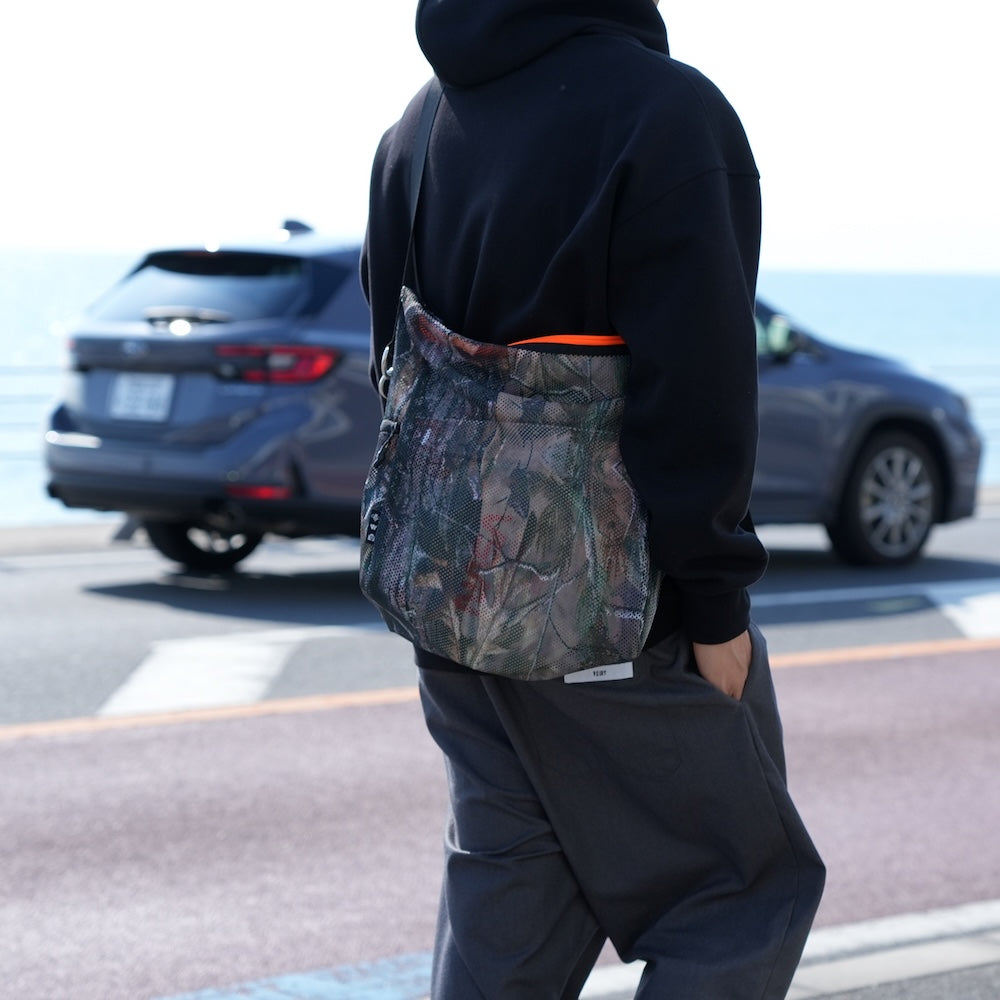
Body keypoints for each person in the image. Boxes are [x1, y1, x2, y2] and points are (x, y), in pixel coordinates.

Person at [361, 1, 825, 997]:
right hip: (614, 614)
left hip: (454, 607)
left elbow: (392, 361)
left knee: (511, 911)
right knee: (738, 895)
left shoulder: (422, 122)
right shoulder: (664, 114)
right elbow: (695, 386)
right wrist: (716, 605)